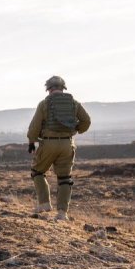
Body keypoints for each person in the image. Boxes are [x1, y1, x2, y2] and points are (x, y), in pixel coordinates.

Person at [27, 76, 91, 220]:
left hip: (49, 143)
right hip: (67, 144)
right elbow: (86, 121)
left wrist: (32, 141)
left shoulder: (44, 103)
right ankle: (62, 213)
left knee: (37, 172)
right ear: (63, 88)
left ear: (48, 89)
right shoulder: (74, 103)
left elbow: (35, 126)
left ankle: (44, 203)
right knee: (64, 178)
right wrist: (76, 129)